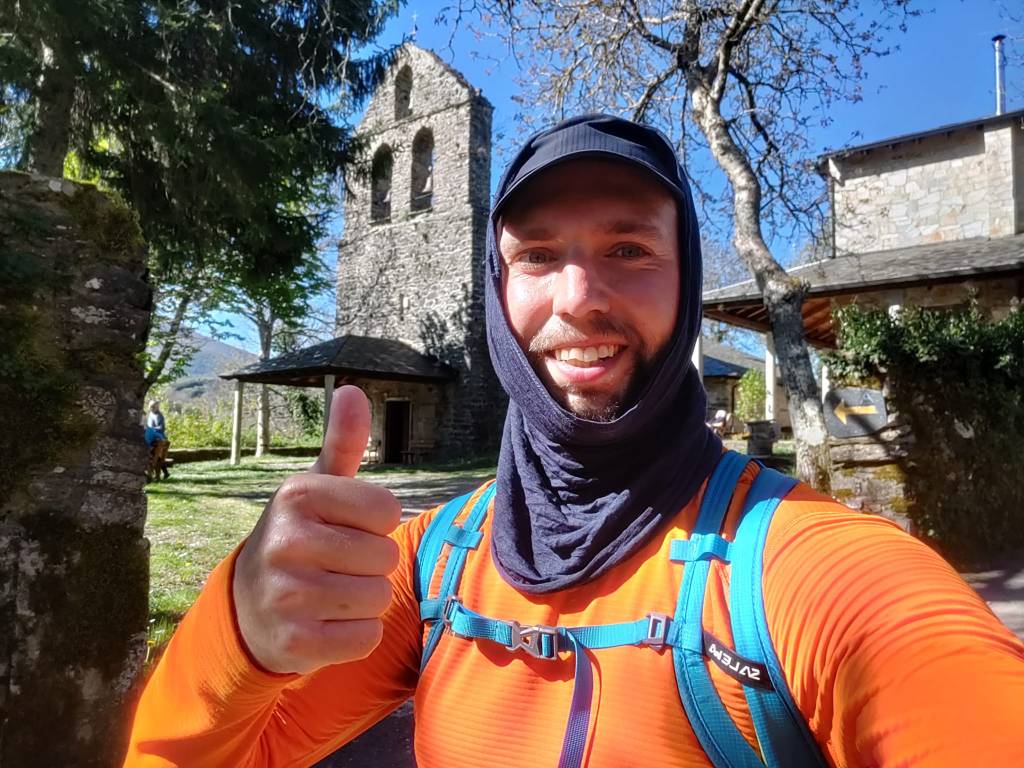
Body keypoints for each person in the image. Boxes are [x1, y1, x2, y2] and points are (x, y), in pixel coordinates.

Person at [125, 116, 1024, 767]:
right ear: (494, 285)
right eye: (537, 254)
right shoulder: (425, 565)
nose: (577, 298)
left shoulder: (804, 571)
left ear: (687, 283)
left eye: (630, 249)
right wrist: (240, 627)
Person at [145, 400, 170, 481]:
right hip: (152, 435)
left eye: (154, 407)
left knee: (155, 455)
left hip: (158, 436)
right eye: (151, 407)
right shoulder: (150, 415)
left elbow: (161, 428)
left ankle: (155, 474)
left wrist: (152, 430)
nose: (152, 408)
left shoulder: (160, 416)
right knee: (155, 455)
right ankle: (164, 472)